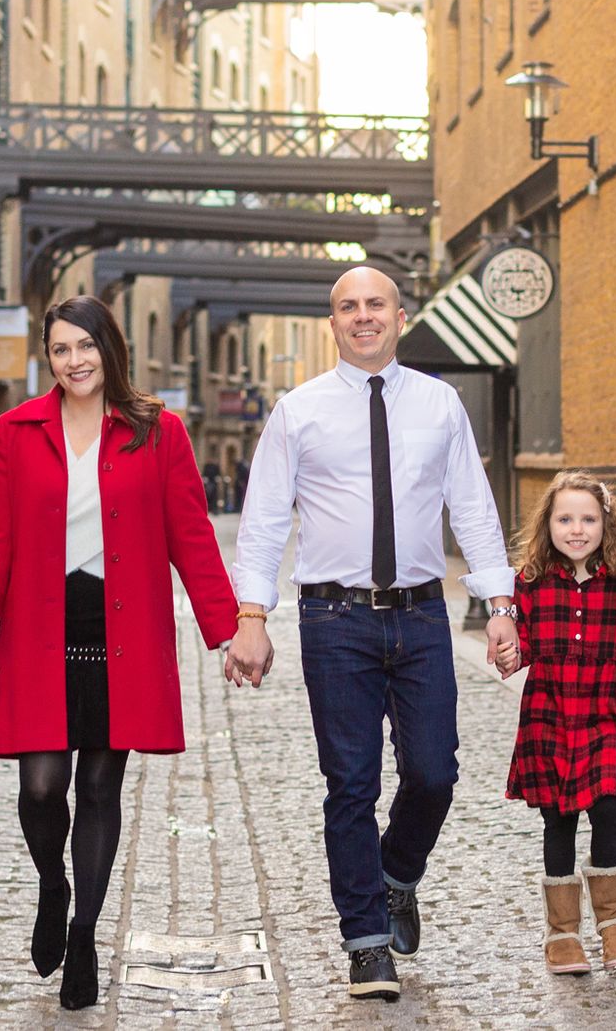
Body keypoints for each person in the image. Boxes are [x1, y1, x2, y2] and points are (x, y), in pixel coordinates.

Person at [0, 295, 272, 1010]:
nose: (74, 361)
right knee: (40, 788)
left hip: (121, 628)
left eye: (85, 346)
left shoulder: (157, 430)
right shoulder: (14, 430)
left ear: (109, 347)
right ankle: (53, 884)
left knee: (99, 787)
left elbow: (191, 533)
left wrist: (232, 630)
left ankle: (85, 935)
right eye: (60, 349)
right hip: (40, 627)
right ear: (48, 355)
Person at [228, 265, 518, 1002]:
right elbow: (263, 522)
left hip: (421, 615)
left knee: (434, 773)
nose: (364, 317)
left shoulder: (441, 404)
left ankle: (397, 875)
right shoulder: (298, 412)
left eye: (376, 305)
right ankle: (366, 944)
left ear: (399, 314)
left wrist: (501, 604)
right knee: (349, 784)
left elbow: (474, 510)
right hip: (333, 619)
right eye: (349, 307)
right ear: (334, 323)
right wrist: (251, 619)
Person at [498, 470, 616, 974]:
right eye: (565, 518)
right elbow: (520, 645)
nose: (577, 529)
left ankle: (614, 924)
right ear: (547, 524)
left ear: (605, 524)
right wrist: (509, 653)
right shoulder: (528, 583)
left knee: (609, 808)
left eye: (588, 519)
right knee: (559, 819)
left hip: (605, 714)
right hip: (550, 716)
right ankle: (563, 933)